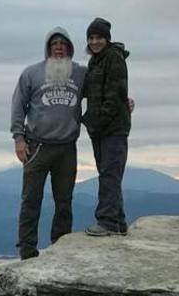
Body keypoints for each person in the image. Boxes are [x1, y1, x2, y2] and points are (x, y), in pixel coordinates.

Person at [10, 27, 86, 260]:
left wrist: (125, 100)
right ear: (48, 48)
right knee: (31, 200)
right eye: (54, 44)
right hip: (36, 146)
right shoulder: (31, 74)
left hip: (67, 147)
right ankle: (27, 251)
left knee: (64, 201)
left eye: (63, 44)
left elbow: (103, 90)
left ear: (70, 48)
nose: (59, 48)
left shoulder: (80, 73)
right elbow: (18, 106)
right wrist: (19, 138)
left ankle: (61, 249)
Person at [82, 18, 131, 236]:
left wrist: (97, 122)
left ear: (107, 39)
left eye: (99, 37)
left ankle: (108, 222)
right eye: (91, 38)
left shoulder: (113, 58)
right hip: (101, 129)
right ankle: (118, 223)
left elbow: (114, 95)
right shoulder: (96, 61)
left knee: (109, 174)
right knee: (108, 173)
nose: (95, 42)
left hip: (112, 128)